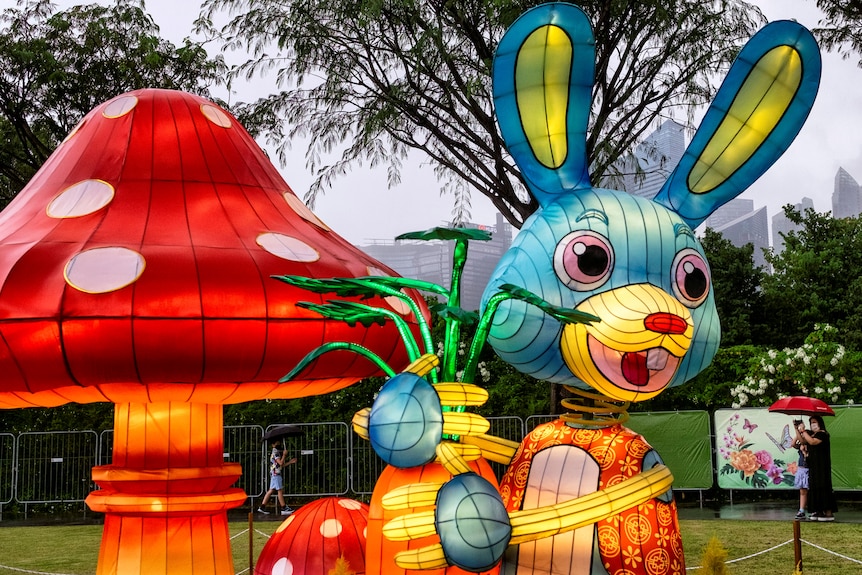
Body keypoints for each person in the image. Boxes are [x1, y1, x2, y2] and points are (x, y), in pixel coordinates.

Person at [797, 415, 837, 521]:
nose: (813, 424)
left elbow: (812, 442)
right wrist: (797, 429)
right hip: (813, 465)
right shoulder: (811, 434)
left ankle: (828, 511)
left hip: (822, 465)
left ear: (820, 423)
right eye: (811, 422)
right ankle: (817, 510)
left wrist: (804, 430)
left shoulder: (823, 434)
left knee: (823, 485)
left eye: (814, 422)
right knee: (814, 486)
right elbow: (803, 441)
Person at [257, 439, 297, 515]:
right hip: (276, 474)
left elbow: (279, 465)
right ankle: (284, 507)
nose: (278, 443)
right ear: (273, 444)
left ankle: (262, 507)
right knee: (279, 490)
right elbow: (281, 463)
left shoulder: (275, 452)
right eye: (276, 442)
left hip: (274, 473)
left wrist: (290, 462)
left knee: (271, 490)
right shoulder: (276, 452)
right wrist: (284, 455)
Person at [791, 420, 809, 520]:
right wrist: (796, 429)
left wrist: (802, 430)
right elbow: (793, 444)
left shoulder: (809, 442)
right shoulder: (800, 444)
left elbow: (803, 441)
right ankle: (801, 510)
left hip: (809, 468)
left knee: (810, 490)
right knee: (802, 491)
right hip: (802, 468)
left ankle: (813, 509)